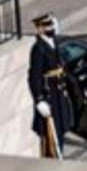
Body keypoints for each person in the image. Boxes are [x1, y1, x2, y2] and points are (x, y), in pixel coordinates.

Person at [28, 13, 73, 158]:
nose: (50, 28)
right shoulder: (38, 48)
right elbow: (34, 76)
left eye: (51, 25)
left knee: (59, 132)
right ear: (39, 29)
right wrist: (39, 99)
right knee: (50, 138)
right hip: (49, 95)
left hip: (58, 94)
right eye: (47, 25)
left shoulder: (53, 42)